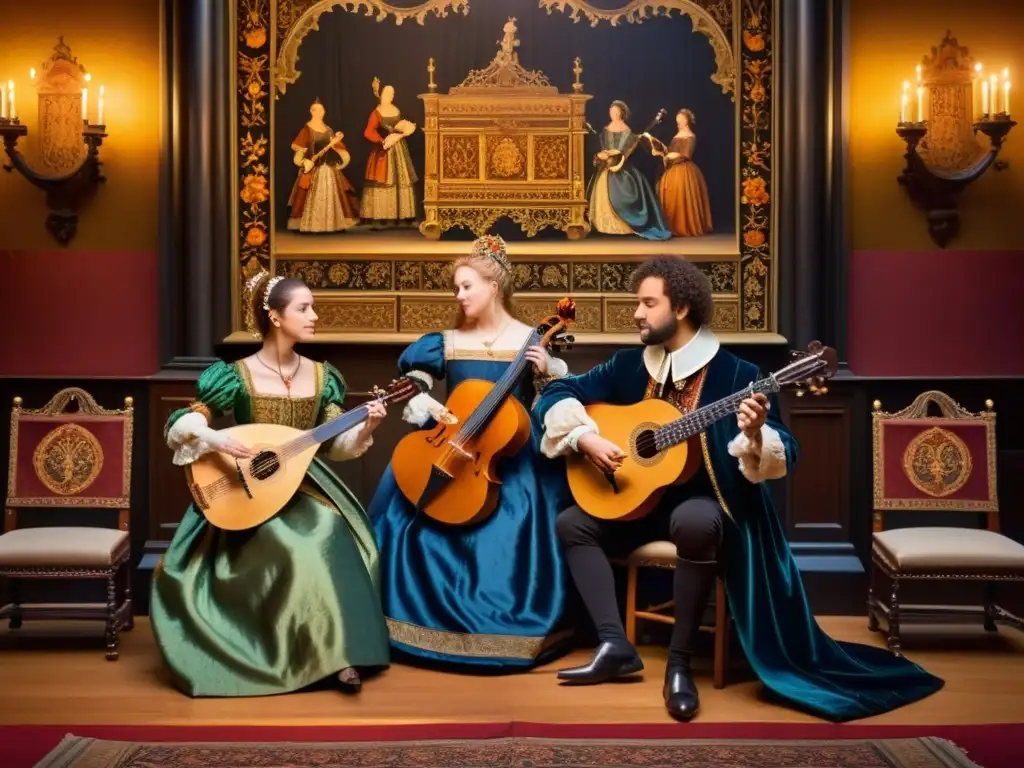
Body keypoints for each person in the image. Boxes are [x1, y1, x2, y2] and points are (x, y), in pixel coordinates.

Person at [534, 255, 944, 722]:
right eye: (638, 303)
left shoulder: (737, 374)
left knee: (696, 522)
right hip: (635, 498)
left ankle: (679, 663)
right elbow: (555, 393)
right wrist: (586, 436)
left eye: (648, 303)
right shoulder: (629, 365)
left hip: (704, 501)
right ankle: (614, 643)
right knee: (572, 523)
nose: (637, 313)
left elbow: (786, 449)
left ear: (682, 308)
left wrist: (754, 436)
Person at [151, 271, 391, 697]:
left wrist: (367, 425)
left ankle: (341, 658)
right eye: (304, 308)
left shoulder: (322, 376)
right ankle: (293, 656)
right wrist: (217, 438)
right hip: (246, 490)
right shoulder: (235, 375)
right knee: (294, 547)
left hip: (305, 485)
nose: (314, 315)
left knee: (328, 530)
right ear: (276, 318)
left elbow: (335, 445)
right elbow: (180, 425)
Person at [369, 235, 574, 670]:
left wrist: (545, 375)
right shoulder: (444, 341)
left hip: (508, 457)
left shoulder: (532, 339)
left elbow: (547, 405)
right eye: (457, 288)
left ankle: (507, 629)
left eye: (466, 286)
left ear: (493, 287)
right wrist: (423, 402)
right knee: (410, 513)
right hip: (453, 448)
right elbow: (419, 387)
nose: (459, 295)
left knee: (520, 524)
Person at [586, 100, 671, 241]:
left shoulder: (628, 132)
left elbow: (625, 152)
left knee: (622, 197)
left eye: (615, 112)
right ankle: (606, 227)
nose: (612, 114)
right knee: (602, 194)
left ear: (621, 113)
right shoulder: (606, 130)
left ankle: (625, 226)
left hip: (622, 167)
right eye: (611, 112)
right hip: (606, 169)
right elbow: (604, 147)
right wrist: (602, 156)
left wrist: (615, 156)